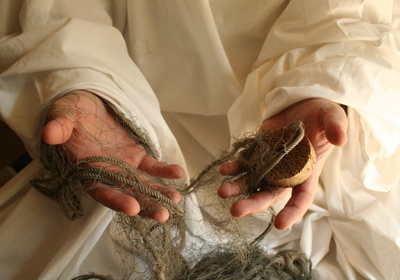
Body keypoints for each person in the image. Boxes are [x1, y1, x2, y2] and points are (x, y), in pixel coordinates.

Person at [0, 0, 399, 279]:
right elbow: (60, 8)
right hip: (139, 122)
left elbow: (356, 15)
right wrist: (78, 80)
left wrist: (323, 86)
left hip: (310, 153)